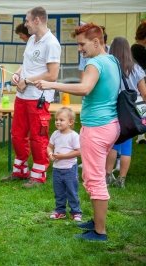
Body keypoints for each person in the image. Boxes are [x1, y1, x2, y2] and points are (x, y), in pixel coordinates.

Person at [35, 23, 120, 241]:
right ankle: (96, 221)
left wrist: (52, 85)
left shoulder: (95, 63)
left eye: (82, 44)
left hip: (97, 128)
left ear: (96, 42)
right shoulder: (112, 59)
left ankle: (99, 232)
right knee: (93, 175)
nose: (80, 49)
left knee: (94, 179)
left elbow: (84, 88)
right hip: (110, 124)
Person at [1, 6, 61, 188]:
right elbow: (25, 64)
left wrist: (26, 80)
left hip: (38, 97)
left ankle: (38, 175)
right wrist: (18, 75)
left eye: (27, 21)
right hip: (23, 95)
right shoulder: (32, 40)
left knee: (37, 136)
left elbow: (52, 75)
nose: (25, 24)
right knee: (17, 135)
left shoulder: (52, 43)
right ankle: (20, 171)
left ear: (37, 20)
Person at [105, 36, 146, 188]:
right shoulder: (135, 67)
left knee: (114, 143)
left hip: (113, 109)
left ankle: (107, 175)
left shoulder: (110, 66)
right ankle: (121, 179)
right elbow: (144, 93)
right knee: (127, 145)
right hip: (130, 112)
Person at [47, 107, 82, 222]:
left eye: (61, 120)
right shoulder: (55, 134)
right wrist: (50, 154)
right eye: (56, 119)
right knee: (59, 192)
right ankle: (60, 211)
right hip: (57, 169)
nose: (57, 122)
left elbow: (78, 152)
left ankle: (76, 212)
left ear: (70, 122)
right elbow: (49, 146)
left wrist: (63, 156)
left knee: (72, 191)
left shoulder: (74, 136)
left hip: (70, 169)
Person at [131, 20, 146, 144]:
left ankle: (141, 134)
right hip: (141, 84)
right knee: (142, 110)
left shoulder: (137, 48)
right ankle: (141, 134)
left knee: (142, 110)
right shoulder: (137, 49)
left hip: (139, 84)